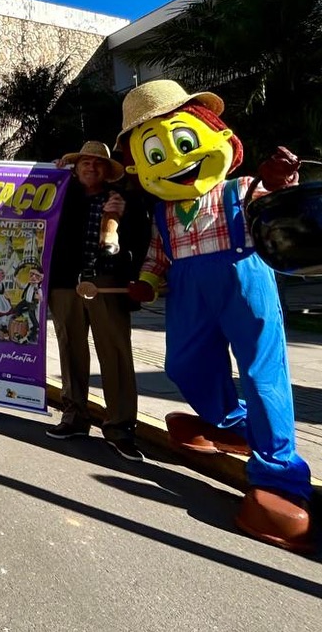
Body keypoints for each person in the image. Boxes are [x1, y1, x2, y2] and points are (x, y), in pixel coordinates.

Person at [120, 79, 313, 552]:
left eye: (183, 143)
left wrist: (276, 184)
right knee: (183, 364)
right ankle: (234, 426)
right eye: (155, 154)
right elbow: (156, 255)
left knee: (263, 374)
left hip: (243, 278)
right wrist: (146, 281)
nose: (175, 160)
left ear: (216, 133)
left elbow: (271, 206)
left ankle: (280, 474)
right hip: (187, 287)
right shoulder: (163, 212)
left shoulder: (240, 188)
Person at [46, 141, 149, 463]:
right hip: (64, 285)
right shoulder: (60, 195)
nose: (91, 168)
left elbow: (142, 240)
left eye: (98, 164)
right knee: (71, 351)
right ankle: (74, 417)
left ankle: (120, 429)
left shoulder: (124, 200)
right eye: (85, 163)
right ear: (75, 168)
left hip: (108, 285)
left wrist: (122, 217)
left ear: (108, 170)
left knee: (116, 354)